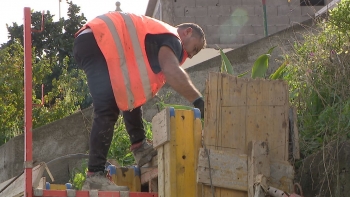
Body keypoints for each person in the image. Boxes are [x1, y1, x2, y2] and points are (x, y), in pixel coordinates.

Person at [73, 11, 206, 191]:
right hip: (99, 41)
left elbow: (131, 97)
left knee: (129, 94)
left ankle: (139, 146)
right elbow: (171, 69)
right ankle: (94, 176)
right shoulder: (172, 38)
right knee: (107, 109)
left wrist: (139, 143)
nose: (190, 56)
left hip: (95, 41)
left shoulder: (152, 41)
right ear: (187, 32)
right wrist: (198, 101)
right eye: (195, 49)